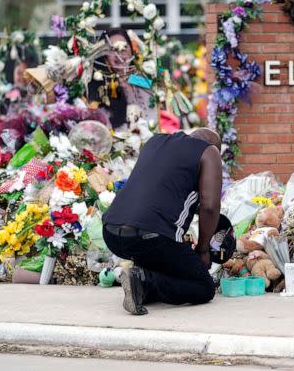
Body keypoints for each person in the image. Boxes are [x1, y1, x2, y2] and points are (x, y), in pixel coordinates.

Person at [103, 128, 222, 315]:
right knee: (203, 287)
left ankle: (140, 283)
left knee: (163, 259)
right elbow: (210, 207)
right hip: (151, 236)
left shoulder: (155, 141)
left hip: (112, 231)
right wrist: (203, 249)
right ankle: (143, 281)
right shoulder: (209, 151)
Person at [88, 28, 158, 129]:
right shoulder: (97, 81)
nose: (120, 53)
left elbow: (152, 116)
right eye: (113, 49)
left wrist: (128, 89)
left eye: (125, 47)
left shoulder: (140, 78)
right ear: (104, 55)